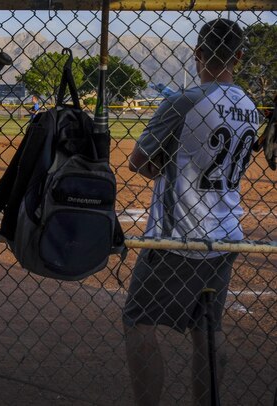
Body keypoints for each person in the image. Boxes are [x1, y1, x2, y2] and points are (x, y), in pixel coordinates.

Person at [124, 19, 260, 406]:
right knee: (207, 327)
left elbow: (138, 162)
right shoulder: (249, 106)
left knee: (139, 320)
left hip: (177, 235)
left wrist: (164, 164)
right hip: (225, 233)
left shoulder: (184, 100)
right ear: (238, 56)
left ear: (198, 53)